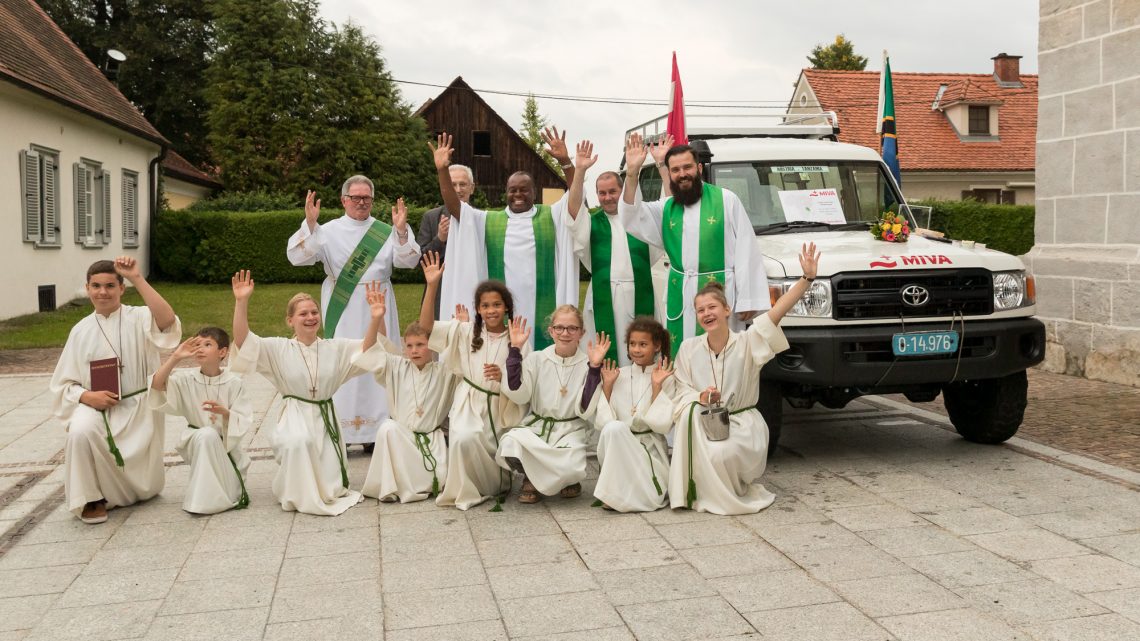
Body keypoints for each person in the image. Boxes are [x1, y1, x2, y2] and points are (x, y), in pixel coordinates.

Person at [670, 243, 821, 516]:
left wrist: (806, 279)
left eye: (712, 307)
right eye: (701, 310)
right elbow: (680, 390)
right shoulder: (688, 349)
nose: (707, 314)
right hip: (704, 422)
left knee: (719, 455)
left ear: (727, 310)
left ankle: (726, 494)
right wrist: (700, 398)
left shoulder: (748, 342)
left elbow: (777, 312)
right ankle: (703, 492)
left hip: (743, 424)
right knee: (703, 442)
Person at [229, 270, 385, 516]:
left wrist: (375, 317)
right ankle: (296, 491)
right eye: (303, 313)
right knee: (298, 443)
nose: (311, 317)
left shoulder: (334, 348)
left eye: (314, 312)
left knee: (329, 484)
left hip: (325, 419)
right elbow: (243, 342)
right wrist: (241, 302)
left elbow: (367, 350)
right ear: (290, 320)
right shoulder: (278, 348)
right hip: (294, 417)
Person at [286, 177, 420, 450]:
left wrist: (403, 231)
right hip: (342, 304)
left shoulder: (385, 230)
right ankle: (344, 431)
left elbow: (409, 261)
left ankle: (378, 430)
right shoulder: (328, 230)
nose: (361, 202)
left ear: (372, 199)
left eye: (366, 198)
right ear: (344, 199)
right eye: (356, 197)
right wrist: (310, 225)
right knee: (345, 363)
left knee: (380, 362)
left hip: (379, 305)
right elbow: (296, 258)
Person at [50, 257, 181, 524]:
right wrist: (87, 397)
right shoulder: (80, 331)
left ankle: (131, 490)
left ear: (121, 288)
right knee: (79, 430)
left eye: (110, 285)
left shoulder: (140, 317)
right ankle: (91, 498)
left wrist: (137, 277)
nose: (103, 292)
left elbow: (167, 322)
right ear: (87, 288)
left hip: (137, 406)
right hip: (98, 406)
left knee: (144, 489)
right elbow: (63, 384)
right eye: (96, 286)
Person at [619, 134, 771, 354]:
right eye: (675, 170)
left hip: (720, 295)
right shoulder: (666, 208)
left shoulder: (726, 200)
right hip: (681, 293)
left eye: (687, 167)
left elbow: (747, 250)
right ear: (669, 173)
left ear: (699, 168)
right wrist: (632, 172)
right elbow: (631, 216)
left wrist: (748, 300)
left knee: (723, 357)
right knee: (682, 355)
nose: (682, 174)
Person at [430, 129, 581, 350]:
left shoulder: (551, 215)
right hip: (502, 307)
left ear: (534, 192)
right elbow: (455, 207)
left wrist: (567, 163)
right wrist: (442, 170)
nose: (518, 194)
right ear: (505, 192)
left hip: (542, 303)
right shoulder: (489, 221)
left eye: (524, 190)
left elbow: (575, 197)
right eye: (512, 190)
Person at [418, 252, 529, 510]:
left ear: (507, 308)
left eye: (497, 305)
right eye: (486, 305)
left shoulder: (517, 337)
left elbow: (523, 381)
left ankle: (494, 485)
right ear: (478, 309)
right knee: (465, 438)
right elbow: (425, 329)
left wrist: (503, 376)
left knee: (489, 447)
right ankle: (465, 489)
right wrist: (432, 286)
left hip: (500, 406)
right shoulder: (465, 331)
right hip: (468, 401)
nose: (491, 310)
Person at [566, 138, 671, 366]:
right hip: (605, 297)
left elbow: (671, 206)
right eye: (602, 193)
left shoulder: (640, 218)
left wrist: (661, 164)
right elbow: (573, 211)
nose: (607, 197)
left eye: (612, 191)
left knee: (643, 351)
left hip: (640, 294)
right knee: (605, 356)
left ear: (622, 189)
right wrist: (580, 172)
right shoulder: (592, 222)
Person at [354, 291, 457, 503]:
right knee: (387, 427)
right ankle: (394, 485)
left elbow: (461, 355)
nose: (414, 350)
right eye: (409, 346)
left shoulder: (445, 371)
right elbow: (371, 350)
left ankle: (416, 481)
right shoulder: (396, 366)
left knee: (388, 430)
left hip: (431, 443)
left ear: (432, 345)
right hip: (401, 440)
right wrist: (376, 318)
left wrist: (460, 328)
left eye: (420, 344)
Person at [496, 307, 603, 504]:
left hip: (571, 428)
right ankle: (530, 479)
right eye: (559, 327)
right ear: (551, 330)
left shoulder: (588, 362)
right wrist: (514, 350)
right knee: (510, 442)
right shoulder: (537, 359)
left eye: (572, 328)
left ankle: (568, 480)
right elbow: (519, 393)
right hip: (538, 426)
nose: (565, 333)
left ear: (582, 332)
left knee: (571, 466)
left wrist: (594, 369)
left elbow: (586, 406)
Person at [150, 328, 252, 514]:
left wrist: (225, 413)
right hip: (197, 439)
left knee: (211, 436)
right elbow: (157, 385)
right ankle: (202, 501)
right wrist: (175, 357)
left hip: (226, 447)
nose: (201, 349)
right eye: (198, 345)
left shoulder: (234, 383)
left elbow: (243, 419)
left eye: (207, 344)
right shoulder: (186, 380)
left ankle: (216, 494)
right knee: (206, 434)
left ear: (222, 352)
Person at [586, 318, 676, 513]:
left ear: (657, 346)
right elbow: (604, 423)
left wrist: (657, 386)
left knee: (616, 429)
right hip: (620, 447)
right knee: (614, 428)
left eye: (643, 344)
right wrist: (608, 386)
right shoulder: (619, 374)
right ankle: (615, 492)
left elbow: (662, 424)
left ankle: (619, 493)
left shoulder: (665, 376)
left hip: (650, 450)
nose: (636, 349)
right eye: (632, 344)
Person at [418, 164, 475, 319]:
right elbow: (420, 260)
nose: (457, 190)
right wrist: (440, 239)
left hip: (472, 288)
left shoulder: (481, 218)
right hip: (440, 291)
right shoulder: (431, 218)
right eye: (452, 184)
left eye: (462, 184)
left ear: (472, 188)